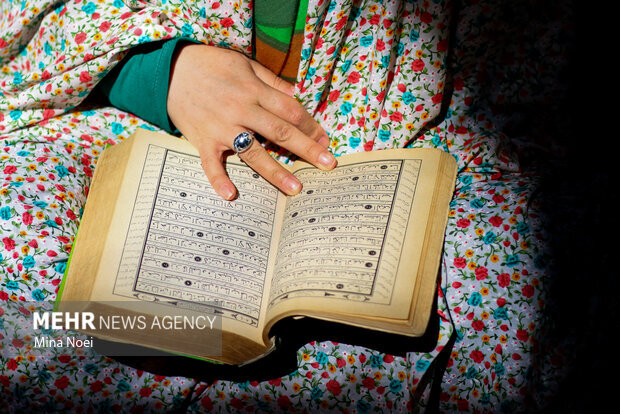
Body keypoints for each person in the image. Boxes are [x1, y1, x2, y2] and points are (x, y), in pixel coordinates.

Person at [0, 0, 571, 412]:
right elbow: (31, 32)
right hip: (141, 123)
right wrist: (164, 73)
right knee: (37, 282)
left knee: (503, 289)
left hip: (403, 151)